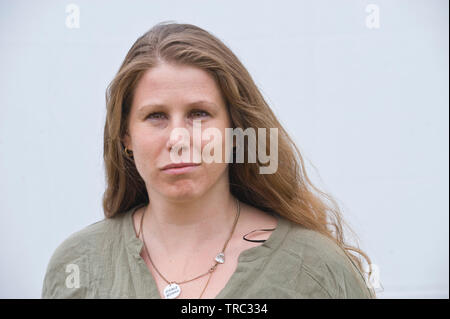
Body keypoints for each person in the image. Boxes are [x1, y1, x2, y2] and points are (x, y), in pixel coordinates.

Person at [41, 21, 376, 299]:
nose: (178, 138)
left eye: (199, 114)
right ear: (126, 136)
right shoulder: (78, 266)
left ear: (235, 130)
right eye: (156, 116)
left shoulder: (315, 270)